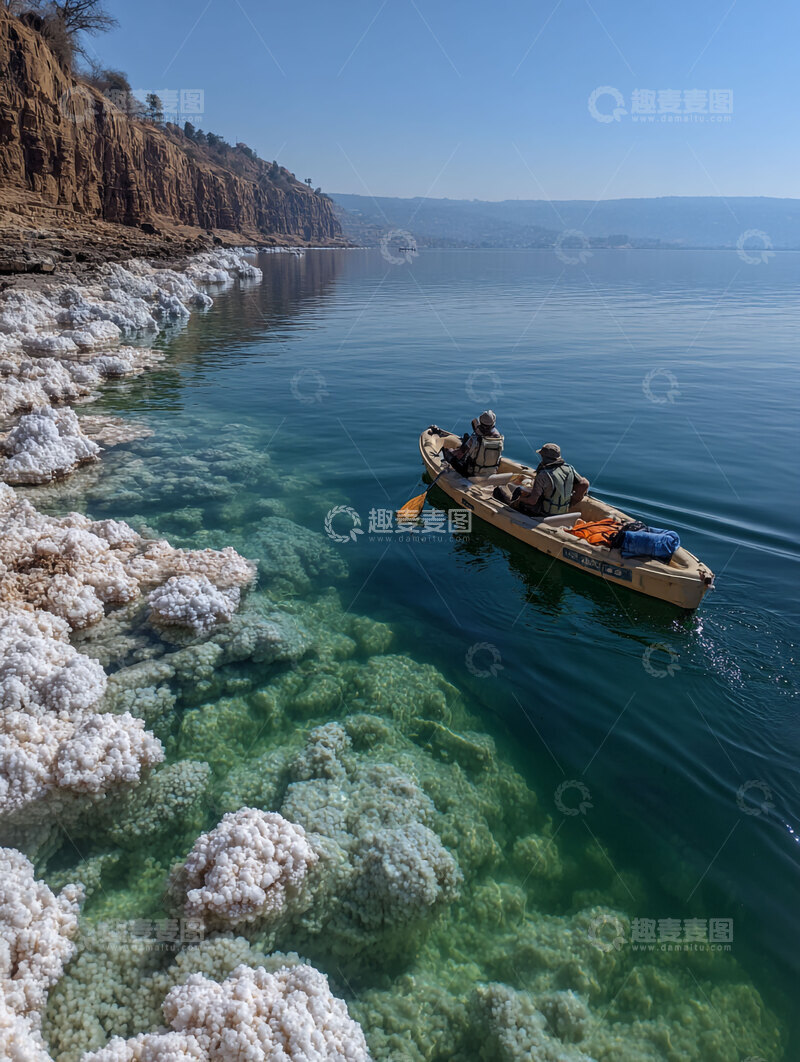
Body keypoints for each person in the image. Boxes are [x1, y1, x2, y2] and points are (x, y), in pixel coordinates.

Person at [493, 442, 589, 517]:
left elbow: (532, 501)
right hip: (563, 510)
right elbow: (584, 483)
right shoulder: (569, 468)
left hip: (543, 512)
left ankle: (510, 509)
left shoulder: (543, 475)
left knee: (500, 489)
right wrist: (573, 501)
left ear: (543, 456)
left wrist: (520, 499)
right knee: (520, 490)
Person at [444, 410, 504, 477]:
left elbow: (460, 454)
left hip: (471, 473)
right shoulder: (499, 438)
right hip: (491, 472)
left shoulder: (475, 439)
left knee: (448, 452)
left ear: (480, 422)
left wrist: (451, 452)